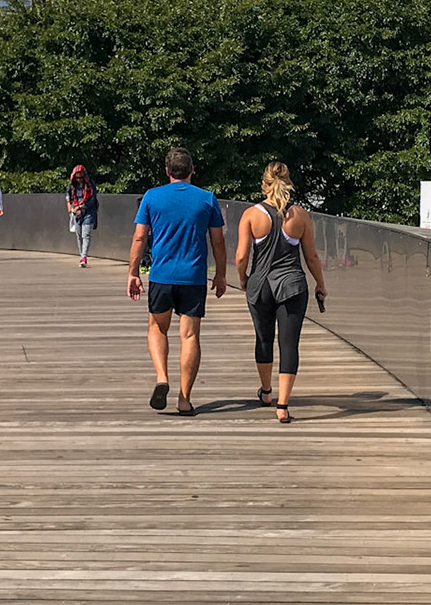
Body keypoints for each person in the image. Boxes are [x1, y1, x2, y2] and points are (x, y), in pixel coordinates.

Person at [129, 147, 227, 416]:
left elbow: (139, 238)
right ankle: (184, 399)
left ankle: (162, 377)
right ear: (192, 170)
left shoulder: (152, 197)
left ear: (167, 171)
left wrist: (133, 272)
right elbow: (217, 241)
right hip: (193, 277)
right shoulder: (207, 199)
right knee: (190, 335)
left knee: (158, 328)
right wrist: (220, 274)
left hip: (161, 276)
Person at [235, 162, 326, 425]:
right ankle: (283, 406)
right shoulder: (300, 216)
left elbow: (241, 256)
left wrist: (244, 280)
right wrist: (320, 284)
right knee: (289, 344)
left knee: (264, 339)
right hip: (293, 286)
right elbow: (311, 255)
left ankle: (266, 392)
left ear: (264, 184)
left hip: (260, 287)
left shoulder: (251, 215)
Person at [67, 164, 99, 267]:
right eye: (77, 178)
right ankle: (81, 255)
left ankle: (84, 257)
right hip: (76, 212)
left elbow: (92, 199)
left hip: (88, 211)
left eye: (80, 177)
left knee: (86, 235)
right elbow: (68, 197)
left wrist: (81, 206)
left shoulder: (90, 184)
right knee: (79, 235)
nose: (79, 180)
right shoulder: (72, 185)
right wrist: (72, 209)